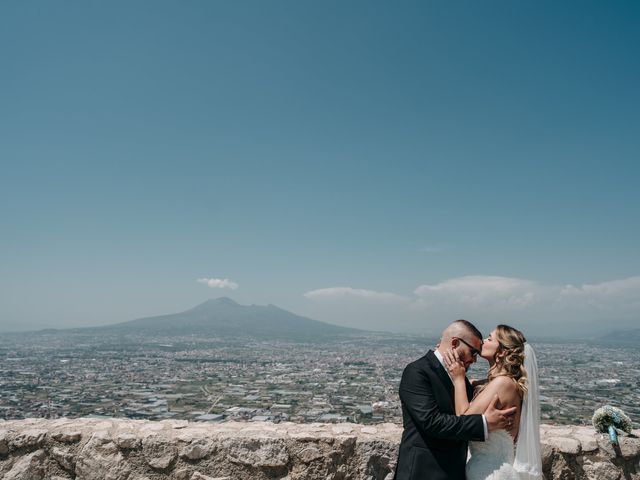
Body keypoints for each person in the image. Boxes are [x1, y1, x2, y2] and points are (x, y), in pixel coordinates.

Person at [395, 320, 517, 480]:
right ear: (454, 343)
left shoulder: (461, 378)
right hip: (423, 471)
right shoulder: (418, 372)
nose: (474, 360)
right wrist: (484, 423)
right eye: (472, 352)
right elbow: (432, 422)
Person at [443, 325, 542, 480]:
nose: (483, 341)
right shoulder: (495, 383)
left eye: (489, 338)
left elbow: (464, 419)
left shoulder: (503, 383)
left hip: (493, 473)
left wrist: (458, 378)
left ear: (502, 351)